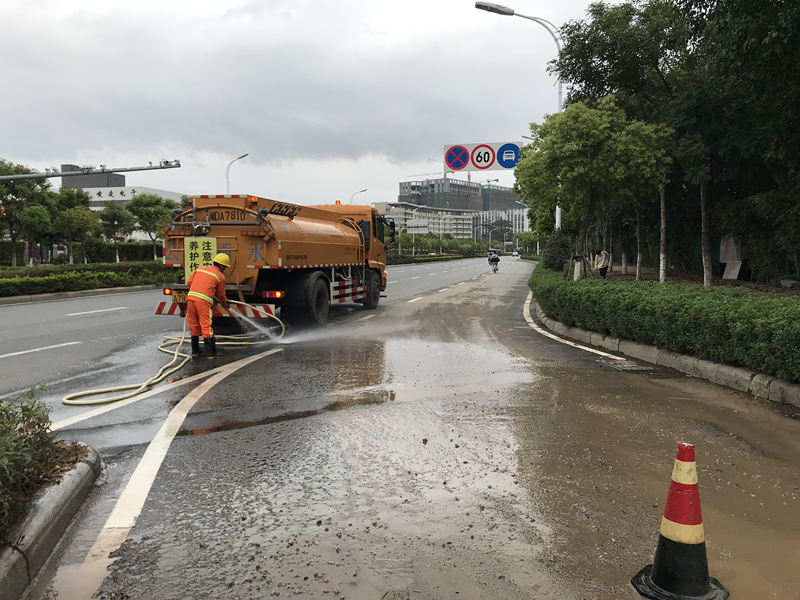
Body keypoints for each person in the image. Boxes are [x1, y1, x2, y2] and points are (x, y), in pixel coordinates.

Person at [186, 253, 231, 359]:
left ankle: (195, 351)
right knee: (206, 326)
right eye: (225, 267)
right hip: (203, 302)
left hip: (190, 299)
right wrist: (224, 303)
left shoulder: (200, 269)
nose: (225, 269)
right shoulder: (220, 276)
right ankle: (211, 353)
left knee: (194, 325)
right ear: (221, 266)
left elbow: (189, 282)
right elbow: (221, 295)